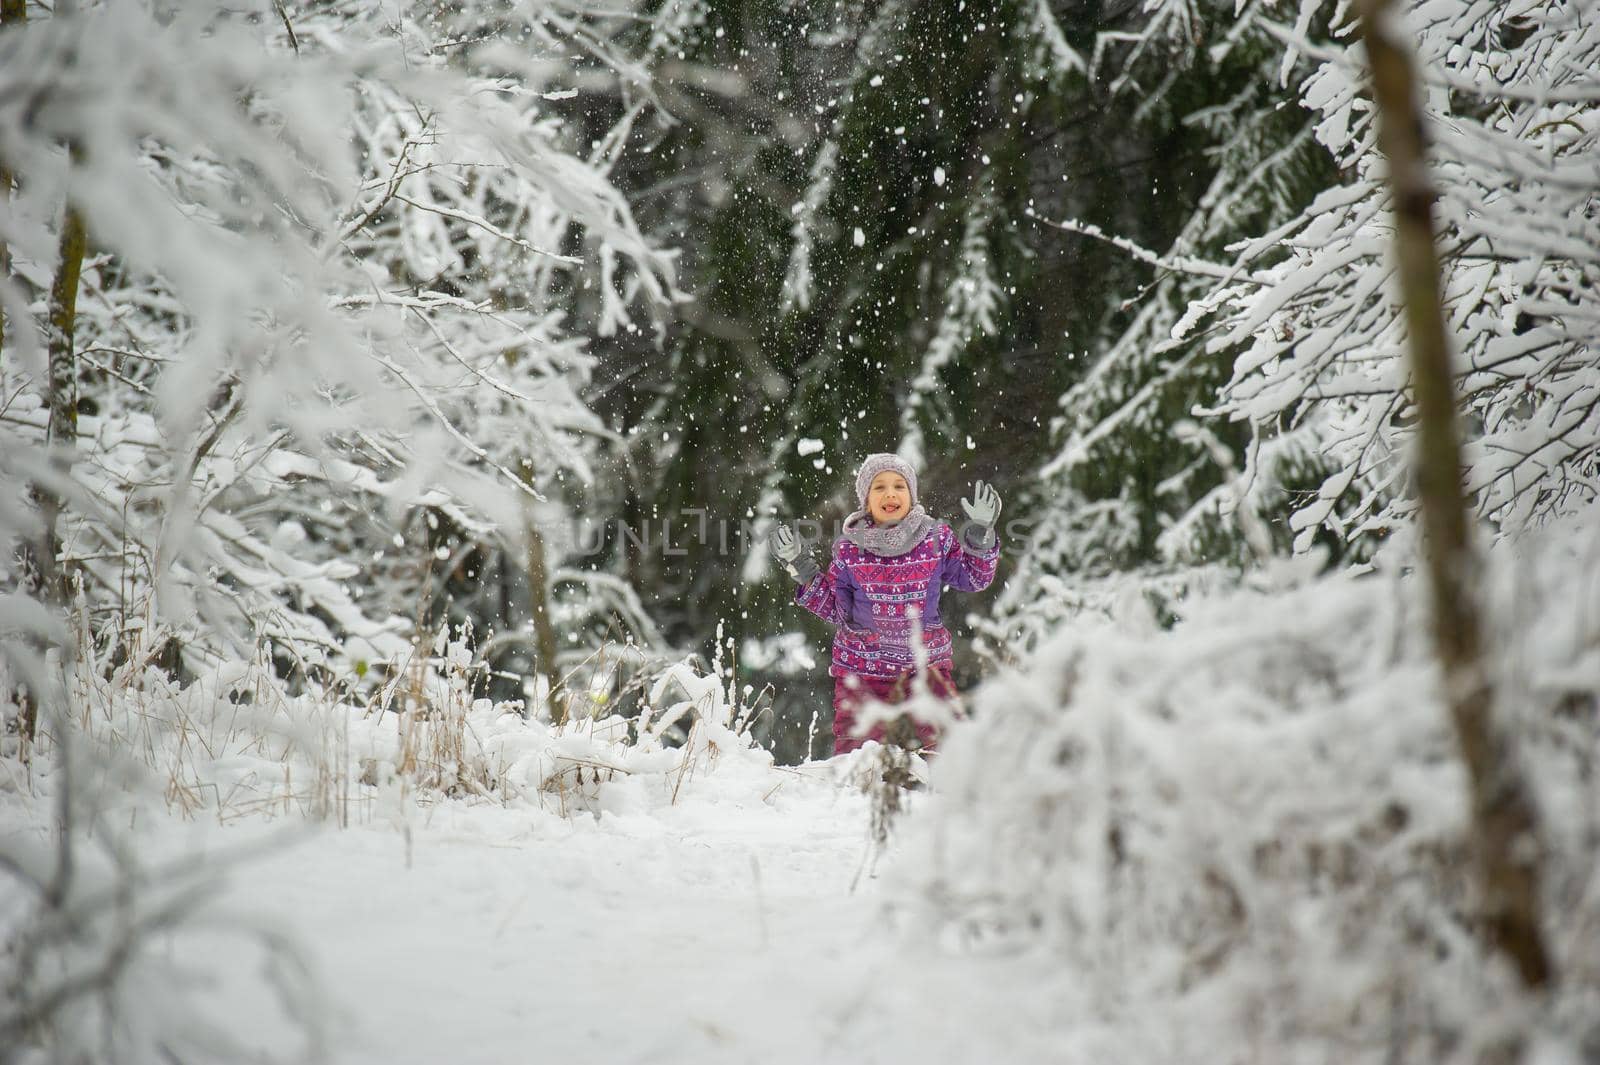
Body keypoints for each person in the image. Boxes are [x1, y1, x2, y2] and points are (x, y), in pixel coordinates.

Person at [769, 453, 1001, 756]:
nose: (890, 493)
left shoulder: (935, 538)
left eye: (899, 486)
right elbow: (837, 609)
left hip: (925, 666)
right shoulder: (850, 550)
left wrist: (981, 534)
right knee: (859, 752)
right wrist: (801, 566)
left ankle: (949, 796)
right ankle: (859, 796)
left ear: (912, 495)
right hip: (863, 669)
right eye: (879, 487)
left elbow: (973, 579)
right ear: (866, 499)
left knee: (946, 744)